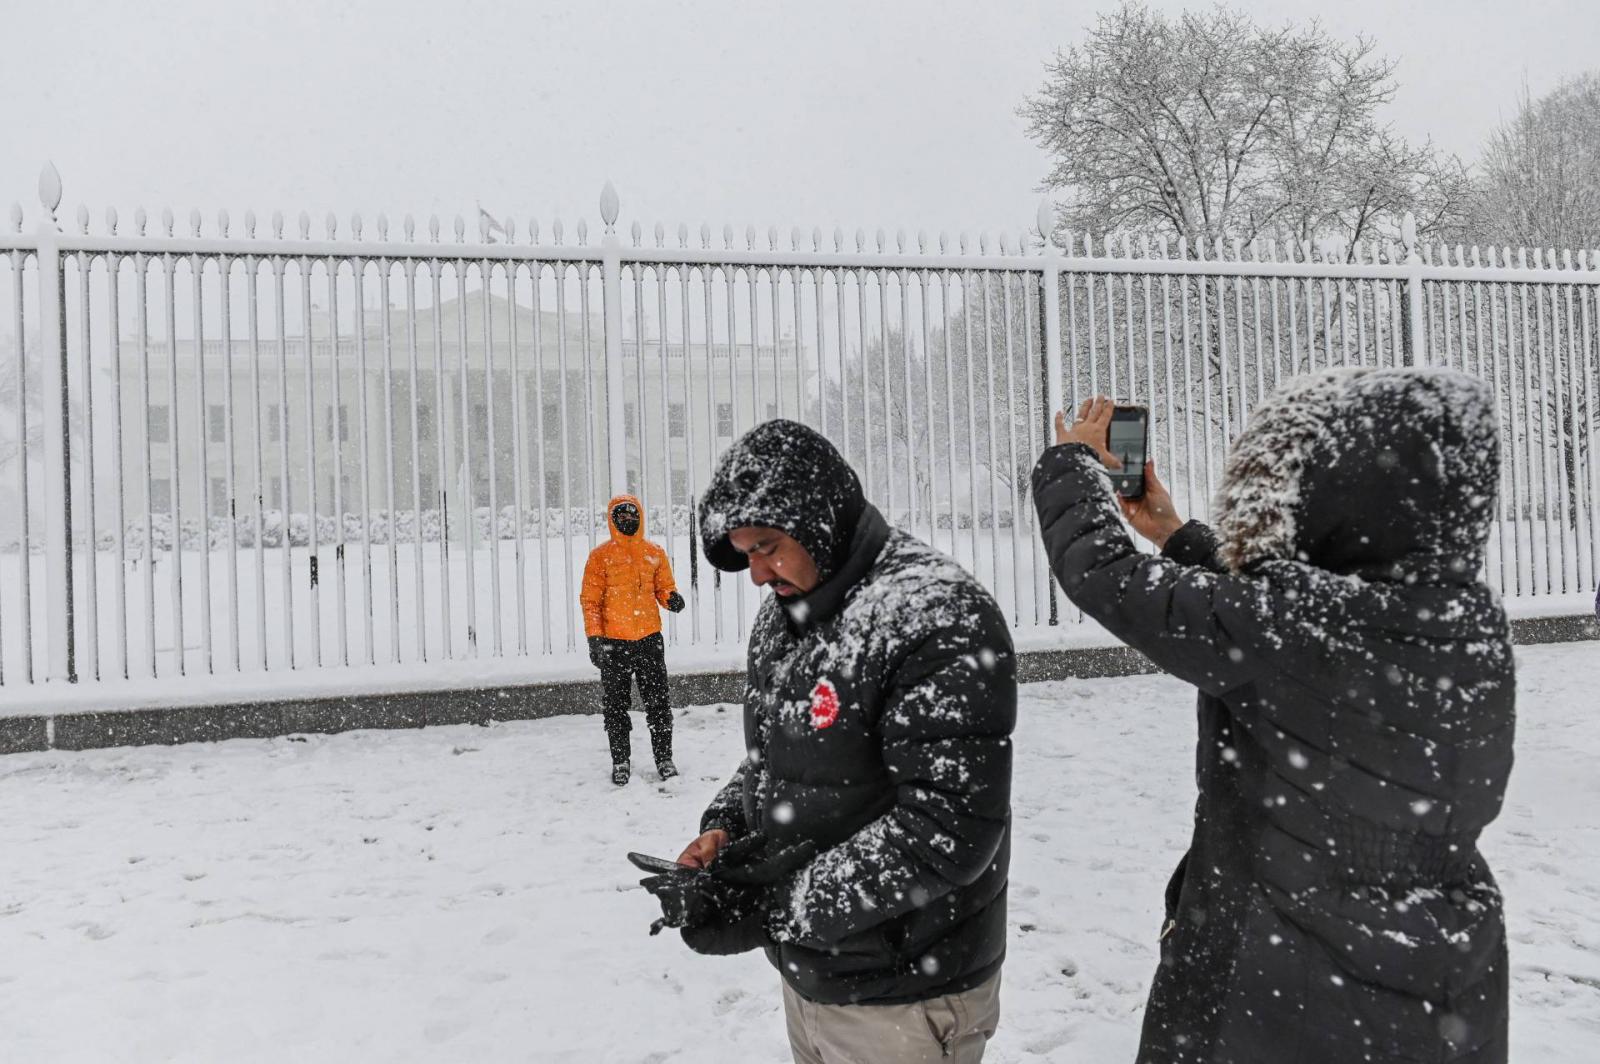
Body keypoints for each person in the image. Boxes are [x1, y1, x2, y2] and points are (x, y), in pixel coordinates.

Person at [1033, 369, 1515, 1063]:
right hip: (1432, 985)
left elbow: (1104, 574)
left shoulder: (1293, 631)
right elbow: (1283, 625)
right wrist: (1174, 533)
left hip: (1281, 993)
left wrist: (1071, 461)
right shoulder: (1465, 626)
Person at [638, 419, 1016, 1064]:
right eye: (745, 553)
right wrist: (726, 830)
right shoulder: (787, 611)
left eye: (768, 546)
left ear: (819, 521)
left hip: (906, 992)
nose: (757, 573)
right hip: (815, 972)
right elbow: (782, 753)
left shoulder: (935, 615)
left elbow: (949, 831)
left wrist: (770, 909)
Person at [580, 493, 686, 786]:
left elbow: (664, 587)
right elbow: (591, 602)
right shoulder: (600, 557)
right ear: (613, 520)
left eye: (632, 516)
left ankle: (664, 758)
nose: (627, 521)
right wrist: (595, 638)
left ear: (640, 518)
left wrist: (671, 599)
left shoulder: (654, 552)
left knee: (659, 701)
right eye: (621, 517)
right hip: (614, 643)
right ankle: (621, 760)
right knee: (615, 704)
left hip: (649, 640)